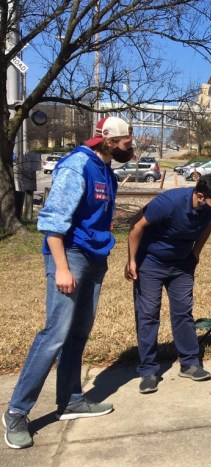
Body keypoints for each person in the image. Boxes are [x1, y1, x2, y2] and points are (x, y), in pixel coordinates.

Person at [4, 116, 134, 449]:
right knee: (55, 334)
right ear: (108, 141)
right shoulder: (78, 165)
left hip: (95, 258)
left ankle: (71, 398)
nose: (130, 147)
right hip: (70, 257)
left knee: (78, 332)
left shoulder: (106, 169)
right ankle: (17, 412)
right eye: (126, 142)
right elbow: (51, 222)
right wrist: (62, 268)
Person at [125, 173, 211, 394]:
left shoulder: (210, 210)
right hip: (151, 262)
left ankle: (190, 362)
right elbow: (136, 225)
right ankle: (148, 370)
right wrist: (132, 261)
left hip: (182, 265)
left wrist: (195, 253)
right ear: (201, 196)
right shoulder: (169, 202)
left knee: (183, 312)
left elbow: (208, 227)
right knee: (148, 314)